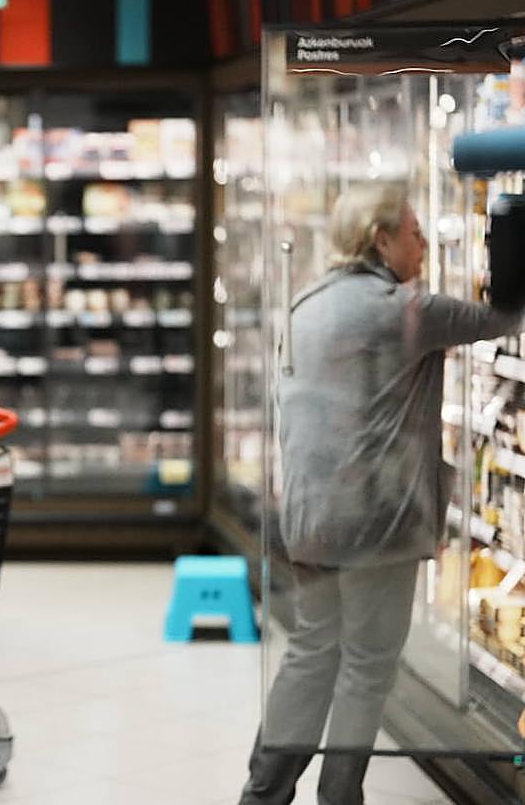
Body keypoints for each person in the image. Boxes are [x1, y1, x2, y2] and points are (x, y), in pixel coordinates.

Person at [239, 182, 520, 805]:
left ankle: (262, 794)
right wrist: (511, 228)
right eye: (415, 232)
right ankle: (341, 797)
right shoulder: (409, 309)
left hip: (310, 521)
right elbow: (506, 315)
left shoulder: (305, 302)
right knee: (367, 668)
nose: (423, 244)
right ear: (380, 239)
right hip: (378, 525)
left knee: (312, 653)